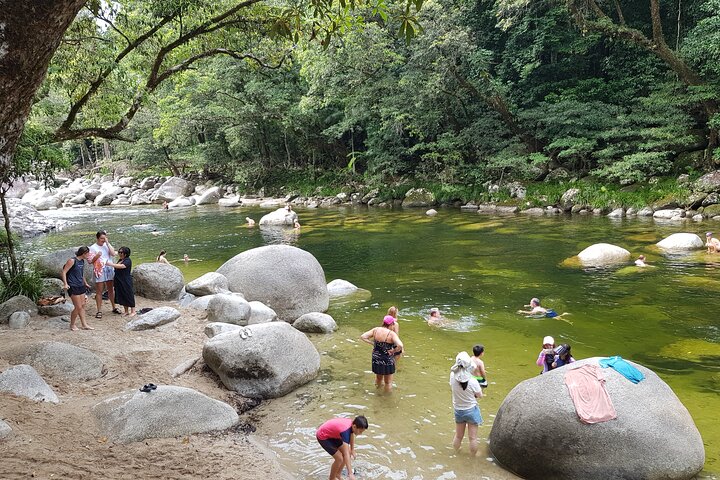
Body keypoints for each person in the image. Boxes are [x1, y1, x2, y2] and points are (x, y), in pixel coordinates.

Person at [449, 351, 483, 456]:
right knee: (472, 437)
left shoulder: (452, 376)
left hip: (458, 410)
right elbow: (480, 395)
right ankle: (473, 456)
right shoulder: (473, 381)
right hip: (471, 410)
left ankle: (456, 452)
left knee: (458, 436)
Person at [316, 416, 368, 480]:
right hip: (323, 436)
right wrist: (350, 473)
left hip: (333, 435)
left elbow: (351, 434)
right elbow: (346, 454)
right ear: (354, 426)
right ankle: (332, 478)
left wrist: (352, 449)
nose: (361, 434)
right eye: (360, 431)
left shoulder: (352, 425)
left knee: (348, 452)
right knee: (339, 458)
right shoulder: (345, 431)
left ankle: (338, 474)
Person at [360, 316, 404, 392]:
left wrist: (372, 343)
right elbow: (400, 345)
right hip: (387, 359)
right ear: (392, 324)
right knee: (388, 382)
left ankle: (378, 392)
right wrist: (393, 351)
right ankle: (386, 398)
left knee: (378, 378)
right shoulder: (391, 334)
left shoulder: (375, 330)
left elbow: (363, 336)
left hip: (376, 358)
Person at [60, 246, 93, 331]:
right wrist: (65, 284)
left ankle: (84, 324)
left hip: (80, 285)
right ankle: (72, 325)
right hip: (73, 285)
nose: (89, 255)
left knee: (82, 305)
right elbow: (64, 272)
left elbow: (81, 274)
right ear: (84, 253)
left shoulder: (82, 261)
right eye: (88, 253)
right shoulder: (72, 261)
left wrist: (85, 283)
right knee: (78, 306)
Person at [89, 230, 118, 318]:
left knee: (111, 289)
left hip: (109, 268)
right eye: (102, 238)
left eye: (105, 238)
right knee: (99, 290)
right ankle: (99, 311)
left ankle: (114, 307)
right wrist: (96, 256)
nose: (103, 240)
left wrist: (108, 243)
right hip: (99, 269)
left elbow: (113, 254)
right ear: (97, 238)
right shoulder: (93, 247)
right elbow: (90, 261)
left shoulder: (106, 245)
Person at [106, 246, 135, 316]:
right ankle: (126, 311)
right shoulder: (120, 260)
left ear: (125, 253)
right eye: (119, 252)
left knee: (128, 294)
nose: (119, 253)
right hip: (119, 280)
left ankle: (133, 311)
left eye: (121, 252)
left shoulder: (127, 260)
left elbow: (122, 266)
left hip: (126, 280)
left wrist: (110, 264)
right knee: (122, 295)